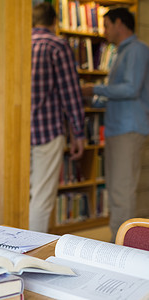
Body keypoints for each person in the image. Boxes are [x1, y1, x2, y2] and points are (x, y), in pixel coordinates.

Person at [81, 7, 149, 241]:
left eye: (107, 25)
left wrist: (94, 89)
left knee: (122, 191)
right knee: (117, 190)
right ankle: (118, 243)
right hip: (118, 128)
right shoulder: (121, 52)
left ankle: (123, 248)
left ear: (120, 23)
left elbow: (131, 89)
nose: (104, 31)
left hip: (128, 129)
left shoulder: (138, 50)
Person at [29, 3, 85, 232]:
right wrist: (78, 133)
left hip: (17, 133)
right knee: (41, 198)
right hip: (47, 130)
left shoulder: (18, 44)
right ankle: (32, 252)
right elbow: (70, 92)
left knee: (21, 196)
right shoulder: (57, 45)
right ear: (54, 21)